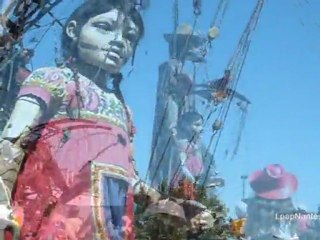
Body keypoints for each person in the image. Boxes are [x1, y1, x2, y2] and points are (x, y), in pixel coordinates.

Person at [0, 1, 154, 239]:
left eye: (129, 38)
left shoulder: (124, 109)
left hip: (111, 225)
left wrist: (157, 198)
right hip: (56, 216)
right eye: (104, 27)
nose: (118, 41)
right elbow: (12, 141)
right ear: (73, 29)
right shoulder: (52, 79)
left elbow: (128, 172)